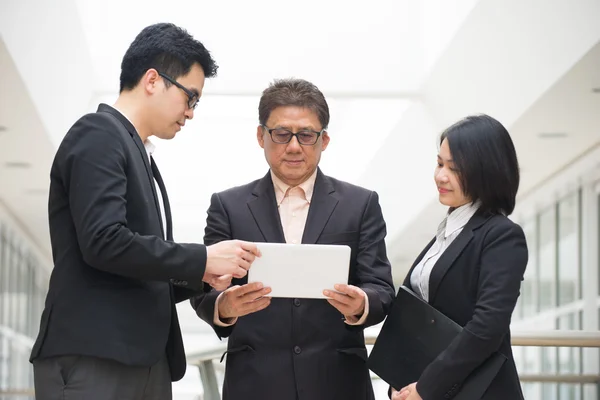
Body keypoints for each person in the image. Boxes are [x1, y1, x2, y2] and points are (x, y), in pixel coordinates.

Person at [30, 23, 260, 400]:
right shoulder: (99, 133)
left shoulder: (136, 151)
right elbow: (104, 242)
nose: (190, 113)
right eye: (190, 97)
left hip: (140, 360)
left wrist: (205, 276)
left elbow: (137, 266)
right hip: (97, 356)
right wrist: (202, 258)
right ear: (153, 80)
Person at [191, 78, 395, 400]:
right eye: (282, 134)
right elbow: (204, 291)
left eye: (306, 135)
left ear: (324, 139)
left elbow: (382, 288)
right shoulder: (227, 206)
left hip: (338, 383)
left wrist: (361, 305)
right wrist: (225, 306)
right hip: (255, 383)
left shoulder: (361, 204)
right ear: (261, 136)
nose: (294, 146)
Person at [392, 114, 527, 400]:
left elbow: (487, 327)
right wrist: (401, 378)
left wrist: (426, 387)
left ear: (484, 171)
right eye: (440, 163)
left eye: (454, 168)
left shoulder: (501, 235)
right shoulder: (445, 234)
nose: (440, 176)